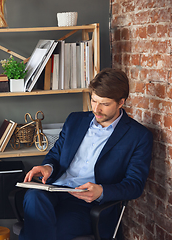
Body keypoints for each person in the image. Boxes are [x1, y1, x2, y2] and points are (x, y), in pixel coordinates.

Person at [20, 68, 153, 240]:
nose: (96, 109)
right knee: (33, 196)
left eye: (104, 104)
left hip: (87, 203)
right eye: (94, 100)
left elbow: (134, 185)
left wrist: (101, 191)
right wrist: (48, 168)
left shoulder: (138, 136)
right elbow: (55, 154)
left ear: (121, 102)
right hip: (54, 189)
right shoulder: (75, 120)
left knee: (48, 232)